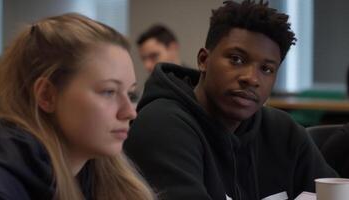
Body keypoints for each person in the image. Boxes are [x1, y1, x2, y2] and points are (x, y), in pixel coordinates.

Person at [124, 1, 337, 200]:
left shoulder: (284, 132)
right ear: (204, 60)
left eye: (266, 69)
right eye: (236, 59)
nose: (251, 78)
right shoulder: (161, 126)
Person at [0, 13, 155, 200]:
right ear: (47, 95)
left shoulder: (100, 174)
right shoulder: (6, 184)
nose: (130, 113)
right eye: (109, 91)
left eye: (130, 94)